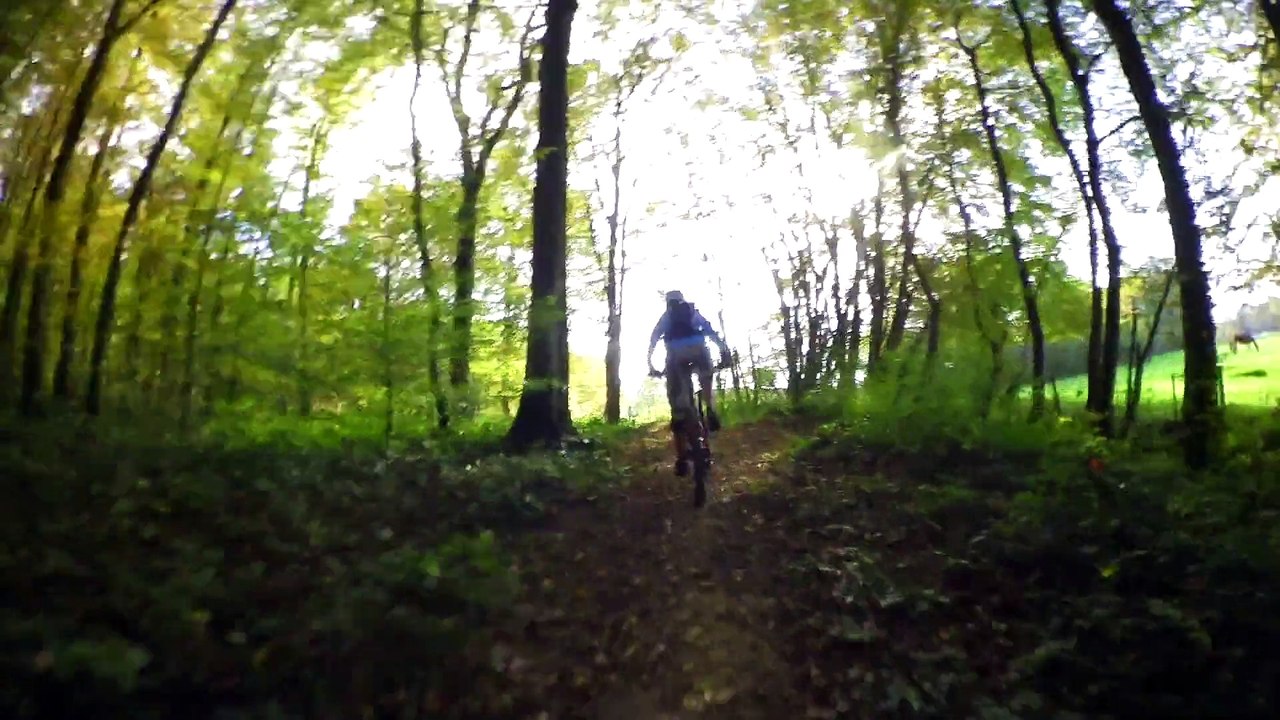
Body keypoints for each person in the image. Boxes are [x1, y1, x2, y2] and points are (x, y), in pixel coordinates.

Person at [646, 290, 731, 476]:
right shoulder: (692, 312)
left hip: (676, 357)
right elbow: (709, 330)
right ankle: (710, 408)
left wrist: (651, 363)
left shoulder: (666, 317)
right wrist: (724, 351)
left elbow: (654, 338)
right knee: (706, 376)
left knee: (677, 405)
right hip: (699, 351)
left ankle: (682, 458)